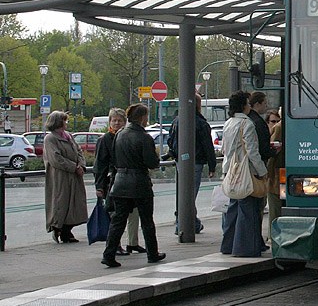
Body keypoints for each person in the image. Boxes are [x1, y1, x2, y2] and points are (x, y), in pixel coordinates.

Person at [101, 104, 165, 267]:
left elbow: (114, 159)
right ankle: (152, 253)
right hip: (139, 183)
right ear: (142, 118)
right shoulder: (144, 138)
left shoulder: (120, 134)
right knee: (147, 220)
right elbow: (152, 163)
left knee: (118, 220)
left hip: (120, 182)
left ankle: (109, 254)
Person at [220, 90, 268, 257]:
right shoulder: (247, 124)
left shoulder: (228, 123)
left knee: (233, 208)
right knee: (249, 210)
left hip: (230, 170)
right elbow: (252, 152)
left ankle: (228, 245)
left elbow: (225, 150)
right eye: (248, 103)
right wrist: (262, 171)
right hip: (246, 171)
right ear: (243, 106)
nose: (249, 106)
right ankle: (245, 248)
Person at [93, 107, 142, 256]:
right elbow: (99, 164)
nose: (116, 123)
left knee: (133, 213)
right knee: (116, 215)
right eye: (114, 120)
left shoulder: (126, 137)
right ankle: (116, 245)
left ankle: (132, 242)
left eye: (119, 121)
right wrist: (99, 186)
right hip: (111, 181)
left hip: (127, 180)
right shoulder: (105, 139)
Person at [168, 94, 217, 235]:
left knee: (183, 193)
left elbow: (171, 141)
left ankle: (188, 222)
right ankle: (184, 223)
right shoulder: (201, 123)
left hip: (180, 162)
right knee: (190, 194)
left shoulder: (177, 121)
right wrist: (212, 166)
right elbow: (208, 146)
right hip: (196, 162)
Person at [43, 111, 88, 243]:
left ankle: (67, 230)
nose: (66, 123)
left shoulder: (68, 136)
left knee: (76, 203)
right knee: (60, 202)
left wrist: (81, 165)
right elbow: (55, 158)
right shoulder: (50, 139)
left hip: (74, 176)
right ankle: (58, 228)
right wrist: (74, 167)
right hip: (60, 177)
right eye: (64, 120)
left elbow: (78, 150)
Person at [265, 108, 284, 238]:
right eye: (272, 121)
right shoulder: (281, 127)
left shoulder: (278, 128)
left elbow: (272, 156)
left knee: (275, 207)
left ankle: (273, 236)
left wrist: (267, 173)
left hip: (276, 173)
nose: (275, 123)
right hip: (279, 172)